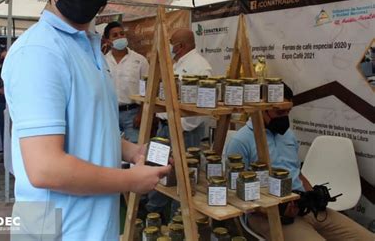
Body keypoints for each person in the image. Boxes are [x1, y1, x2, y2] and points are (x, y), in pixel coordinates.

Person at [1, 0, 170, 240]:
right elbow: (45, 168)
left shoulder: (89, 47)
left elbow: (89, 126)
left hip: (92, 226)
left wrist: (131, 151)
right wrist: (130, 181)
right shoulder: (40, 52)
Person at [225, 84, 373, 241]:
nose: (284, 117)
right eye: (279, 112)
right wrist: (277, 209)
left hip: (303, 205)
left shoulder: (287, 135)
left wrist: (313, 195)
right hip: (267, 213)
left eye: (288, 111)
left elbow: (296, 172)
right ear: (261, 108)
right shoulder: (240, 141)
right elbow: (234, 193)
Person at [147, 28, 213, 216]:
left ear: (181, 45)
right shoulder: (175, 64)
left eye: (171, 42)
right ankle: (154, 214)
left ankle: (179, 222)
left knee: (182, 181)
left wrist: (180, 128)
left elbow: (201, 107)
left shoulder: (200, 67)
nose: (169, 46)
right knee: (157, 174)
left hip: (185, 133)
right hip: (164, 130)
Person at [104, 21, 149, 143]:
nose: (120, 37)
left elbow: (148, 91)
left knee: (134, 152)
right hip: (109, 114)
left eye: (122, 34)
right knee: (112, 151)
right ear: (108, 41)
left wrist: (141, 114)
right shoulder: (102, 61)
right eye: (115, 35)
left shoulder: (139, 60)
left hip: (133, 114)